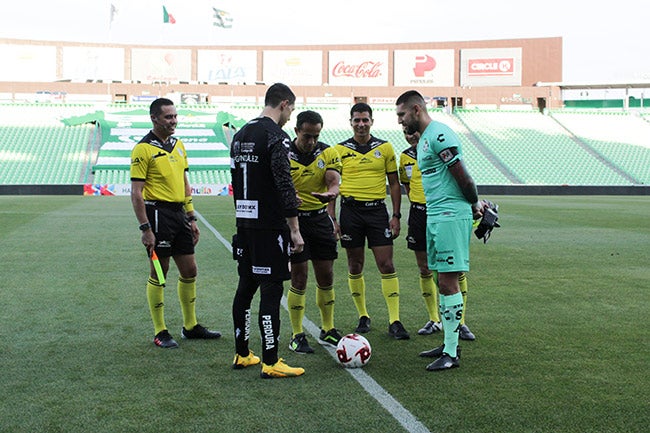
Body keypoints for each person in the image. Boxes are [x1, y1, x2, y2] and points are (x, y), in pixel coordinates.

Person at [395, 90, 484, 371]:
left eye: (402, 114)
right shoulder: (423, 141)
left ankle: (452, 352)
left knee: (447, 282)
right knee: (439, 279)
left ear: (417, 109)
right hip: (435, 216)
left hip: (449, 216)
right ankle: (448, 343)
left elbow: (463, 175)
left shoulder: (439, 134)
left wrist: (474, 204)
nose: (400, 121)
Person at [130, 97, 221, 349]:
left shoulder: (178, 146)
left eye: (175, 116)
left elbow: (184, 182)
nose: (173, 121)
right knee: (160, 273)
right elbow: (136, 193)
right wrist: (145, 228)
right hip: (157, 214)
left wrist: (191, 216)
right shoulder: (143, 149)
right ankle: (160, 330)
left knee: (190, 270)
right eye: (168, 117)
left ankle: (190, 326)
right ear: (154, 119)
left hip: (179, 214)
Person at [230, 83, 305, 379]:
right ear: (284, 104)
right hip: (269, 227)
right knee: (272, 290)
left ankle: (243, 352)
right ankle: (271, 361)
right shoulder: (277, 136)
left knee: (245, 287)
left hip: (244, 223)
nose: (290, 116)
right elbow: (283, 182)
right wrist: (295, 229)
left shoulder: (240, 135)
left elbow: (246, 180)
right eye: (291, 110)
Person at [334, 102, 409, 340]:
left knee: (386, 265)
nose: (361, 124)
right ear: (351, 122)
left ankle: (394, 320)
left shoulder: (385, 148)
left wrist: (395, 216)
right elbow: (331, 186)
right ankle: (363, 316)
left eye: (365, 120)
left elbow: (395, 184)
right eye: (357, 120)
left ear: (372, 122)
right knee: (355, 265)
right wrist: (333, 218)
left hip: (377, 212)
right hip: (350, 212)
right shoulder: (339, 150)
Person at [398, 128, 476, 340]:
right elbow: (406, 185)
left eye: (413, 132)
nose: (410, 135)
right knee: (425, 268)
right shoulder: (405, 157)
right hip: (420, 213)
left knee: (454, 271)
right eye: (406, 133)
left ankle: (460, 322)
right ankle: (434, 319)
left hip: (444, 212)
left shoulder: (436, 147)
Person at [286, 110, 343, 354]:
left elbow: (333, 179)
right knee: (299, 277)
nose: (311, 141)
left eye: (315, 136)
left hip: (320, 220)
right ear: (297, 131)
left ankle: (327, 329)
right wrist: (290, 197)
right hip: (294, 222)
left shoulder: (327, 152)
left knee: (326, 275)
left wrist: (332, 191)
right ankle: (297, 334)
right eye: (307, 135)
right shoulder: (284, 153)